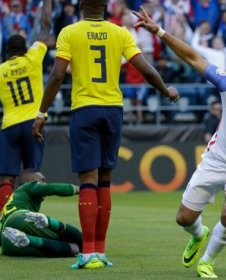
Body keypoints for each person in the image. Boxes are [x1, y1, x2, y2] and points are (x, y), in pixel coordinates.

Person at [133, 6, 226, 279]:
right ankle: (199, 234)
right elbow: (194, 58)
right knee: (184, 219)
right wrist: (160, 32)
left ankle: (207, 262)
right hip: (216, 159)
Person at [32, 0, 179, 270]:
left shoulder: (70, 32)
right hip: (113, 110)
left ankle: (88, 253)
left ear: (81, 7)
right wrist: (166, 90)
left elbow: (55, 76)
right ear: (104, 8)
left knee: (88, 179)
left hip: (85, 109)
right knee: (105, 181)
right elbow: (145, 69)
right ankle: (101, 250)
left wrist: (41, 113)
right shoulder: (120, 32)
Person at [0, 0, 52, 243]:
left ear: (7, 52)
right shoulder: (33, 58)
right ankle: (31, 225)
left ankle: (0, 229)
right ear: (24, 49)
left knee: (6, 180)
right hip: (34, 124)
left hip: (10, 126)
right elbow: (45, 28)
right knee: (33, 174)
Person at [0, 169, 83, 258]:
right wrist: (82, 190)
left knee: (73, 250)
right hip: (20, 219)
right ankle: (47, 224)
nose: (45, 183)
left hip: (7, 243)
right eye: (42, 180)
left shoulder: (14, 201)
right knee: (78, 241)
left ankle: (28, 240)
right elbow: (51, 188)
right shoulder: (28, 187)